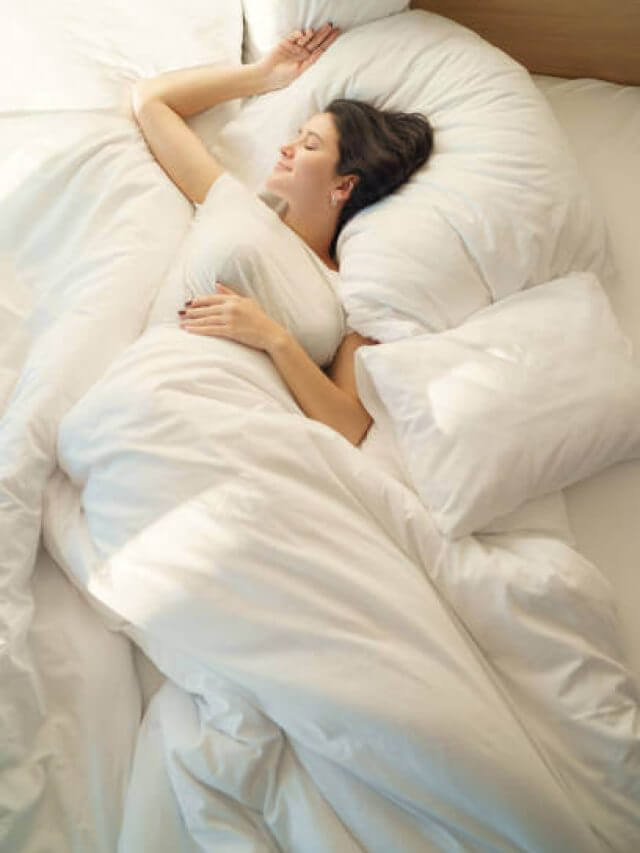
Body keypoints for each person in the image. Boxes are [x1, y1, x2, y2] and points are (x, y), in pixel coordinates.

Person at [130, 23, 432, 447]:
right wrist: (263, 77)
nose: (286, 149)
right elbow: (151, 101)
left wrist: (272, 337)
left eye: (309, 146)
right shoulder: (232, 201)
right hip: (161, 391)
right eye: (295, 137)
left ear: (342, 186)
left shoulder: (352, 290)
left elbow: (348, 425)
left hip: (254, 429)